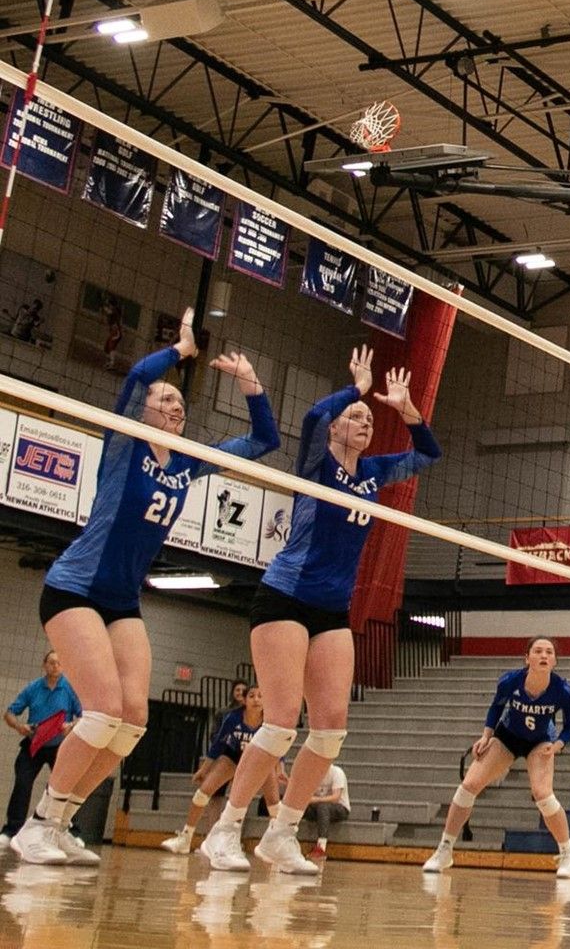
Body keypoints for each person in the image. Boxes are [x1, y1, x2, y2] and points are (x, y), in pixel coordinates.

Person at [15, 314, 278, 867]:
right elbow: (136, 378)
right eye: (165, 399)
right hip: (75, 588)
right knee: (104, 709)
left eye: (180, 402)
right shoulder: (123, 443)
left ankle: (63, 820)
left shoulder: (186, 462)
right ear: (143, 410)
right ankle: (36, 823)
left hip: (121, 599)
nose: (174, 405)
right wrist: (180, 351)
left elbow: (263, 440)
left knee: (133, 719)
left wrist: (252, 384)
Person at [199, 345, 436, 876]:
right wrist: (355, 388)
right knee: (282, 722)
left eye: (369, 420)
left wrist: (406, 410)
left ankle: (282, 835)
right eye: (356, 416)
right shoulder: (317, 460)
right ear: (335, 429)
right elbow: (310, 417)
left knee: (329, 730)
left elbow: (427, 455)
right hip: (284, 596)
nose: (364, 422)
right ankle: (225, 829)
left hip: (332, 608)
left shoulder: (373, 472)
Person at [422, 636, 570, 878]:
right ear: (527, 658)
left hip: (540, 741)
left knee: (542, 794)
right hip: (507, 736)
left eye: (549, 652)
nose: (543, 656)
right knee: (469, 784)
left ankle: (569, 854)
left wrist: (557, 745)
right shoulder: (510, 681)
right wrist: (486, 736)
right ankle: (444, 850)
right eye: (538, 651)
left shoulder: (563, 691)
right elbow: (496, 708)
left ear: (555, 661)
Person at [158, 684, 283, 854]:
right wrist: (204, 769)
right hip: (232, 756)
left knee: (274, 803)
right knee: (202, 793)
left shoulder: (270, 721)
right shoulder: (232, 718)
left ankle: (277, 845)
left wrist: (280, 768)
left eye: (261, 696)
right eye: (252, 696)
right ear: (244, 700)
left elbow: (278, 747)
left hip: (259, 760)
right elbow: (218, 745)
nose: (256, 700)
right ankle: (185, 838)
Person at [4, 652, 80, 839]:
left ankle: (70, 830)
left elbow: (83, 716)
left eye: (59, 663)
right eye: (51, 662)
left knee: (66, 787)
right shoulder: (33, 688)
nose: (55, 666)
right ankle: (12, 830)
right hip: (34, 744)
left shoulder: (70, 689)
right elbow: (9, 713)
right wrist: (19, 726)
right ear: (44, 665)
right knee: (22, 784)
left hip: (60, 747)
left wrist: (70, 726)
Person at [303, 763, 349, 862]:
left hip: (340, 808)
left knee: (323, 806)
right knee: (301, 805)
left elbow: (335, 798)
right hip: (318, 808)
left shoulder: (337, 772)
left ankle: (321, 847)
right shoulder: (312, 773)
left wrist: (315, 799)